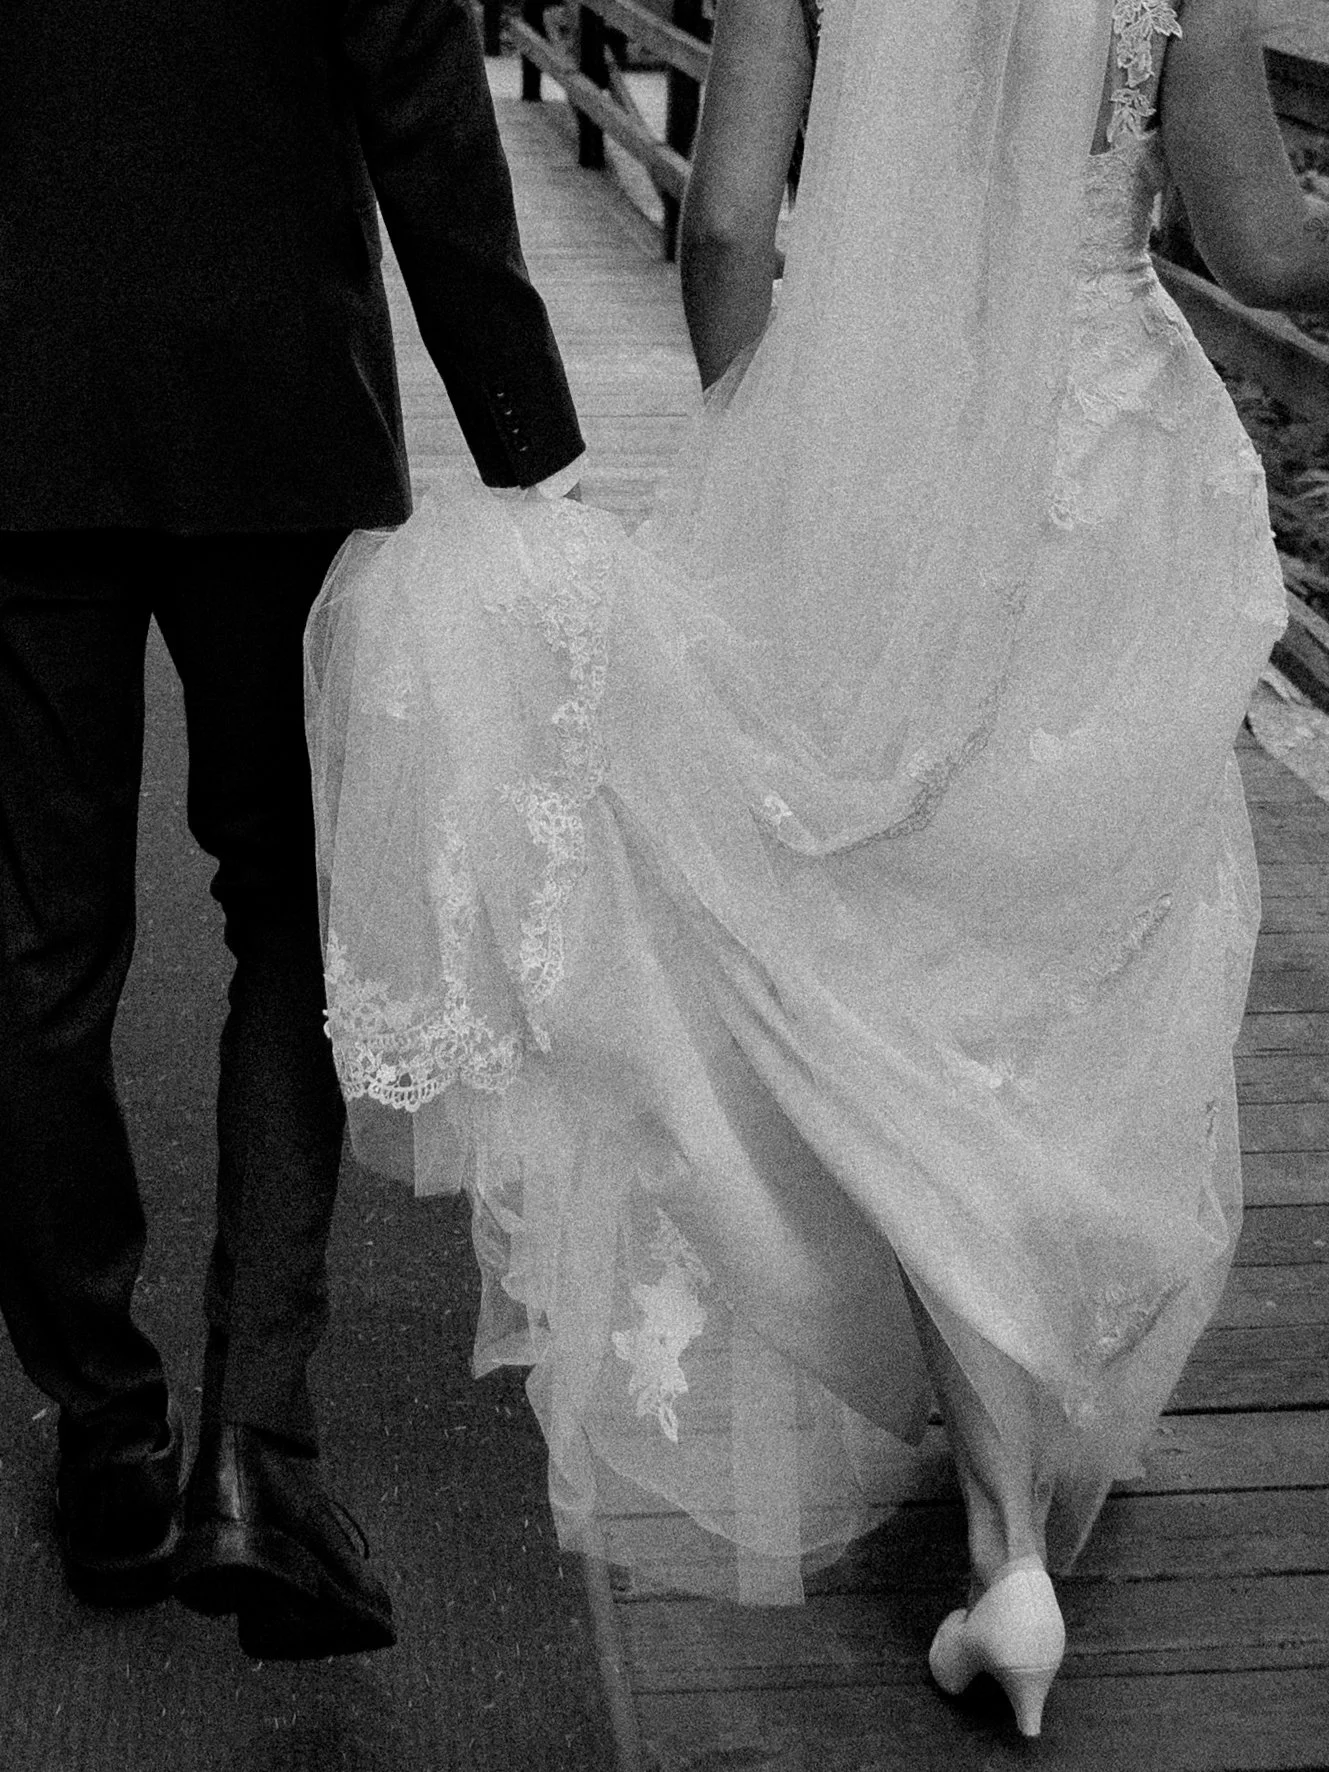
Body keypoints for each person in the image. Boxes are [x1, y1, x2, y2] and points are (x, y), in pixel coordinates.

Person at [306, 0, 1328, 1732]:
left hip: (881, 435)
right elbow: (1263, 246)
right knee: (1029, 971)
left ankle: (1005, 1543)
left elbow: (720, 226)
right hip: (1105, 466)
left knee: (873, 941)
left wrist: (769, 451)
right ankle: (1010, 1522)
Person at [0, 1, 583, 1661]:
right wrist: (524, 438)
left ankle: (111, 1441)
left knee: (42, 937)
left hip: (25, 383)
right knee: (287, 901)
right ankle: (256, 1442)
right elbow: (412, 75)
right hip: (271, 395)